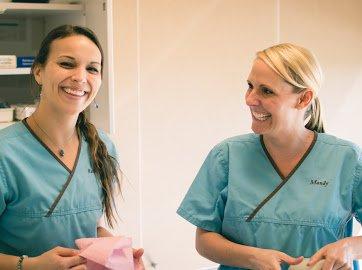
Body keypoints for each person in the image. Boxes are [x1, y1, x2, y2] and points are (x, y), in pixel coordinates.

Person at [177, 43, 362, 270]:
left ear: (304, 99)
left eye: (266, 91)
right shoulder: (226, 156)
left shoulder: (347, 159)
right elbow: (204, 240)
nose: (250, 99)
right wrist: (253, 257)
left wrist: (348, 248)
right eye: (250, 86)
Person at [0, 25, 144, 269]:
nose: (80, 77)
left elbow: (86, 225)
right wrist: (30, 265)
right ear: (38, 72)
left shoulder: (103, 146)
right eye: (67, 64)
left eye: (92, 69)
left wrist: (120, 256)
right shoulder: (6, 153)